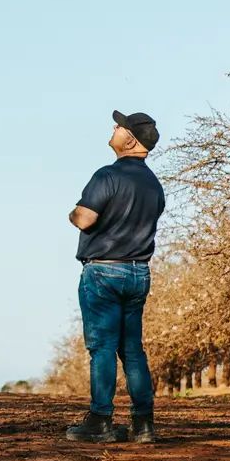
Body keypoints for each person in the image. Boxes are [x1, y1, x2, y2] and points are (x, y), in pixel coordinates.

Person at [64, 111, 166, 443]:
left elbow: (85, 219)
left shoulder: (107, 176)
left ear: (131, 139)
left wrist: (72, 212)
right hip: (138, 272)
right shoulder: (154, 186)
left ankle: (100, 420)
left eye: (119, 127)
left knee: (103, 347)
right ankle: (143, 424)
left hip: (104, 270)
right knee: (132, 349)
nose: (114, 129)